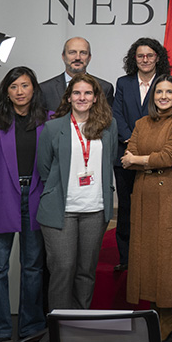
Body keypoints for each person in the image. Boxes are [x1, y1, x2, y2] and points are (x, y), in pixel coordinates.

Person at [0, 67, 49, 342]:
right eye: (14, 86)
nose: (19, 91)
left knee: (33, 267)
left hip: (36, 196)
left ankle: (32, 327)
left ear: (33, 89)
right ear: (6, 91)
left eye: (25, 85)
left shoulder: (48, 120)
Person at [121, 75, 172, 341]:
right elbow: (127, 158)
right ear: (152, 95)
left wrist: (142, 160)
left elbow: (168, 156)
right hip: (145, 196)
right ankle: (154, 313)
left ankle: (169, 317)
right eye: (159, 92)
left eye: (169, 92)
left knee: (170, 258)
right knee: (147, 255)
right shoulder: (141, 123)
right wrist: (155, 160)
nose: (164, 97)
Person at [36, 74, 118, 310]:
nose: (82, 97)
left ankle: (80, 322)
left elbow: (110, 160)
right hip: (61, 210)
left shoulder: (108, 126)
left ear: (95, 98)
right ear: (69, 97)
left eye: (88, 93)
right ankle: (59, 325)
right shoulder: (53, 127)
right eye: (77, 93)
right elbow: (44, 168)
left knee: (86, 271)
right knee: (63, 268)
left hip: (95, 209)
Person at [111, 37, 171, 273]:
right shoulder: (123, 83)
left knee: (154, 210)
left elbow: (168, 116)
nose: (145, 60)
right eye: (140, 56)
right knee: (126, 209)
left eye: (150, 55)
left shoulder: (166, 82)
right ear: (133, 59)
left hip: (156, 156)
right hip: (126, 155)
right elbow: (117, 115)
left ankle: (151, 257)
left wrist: (147, 146)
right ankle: (126, 258)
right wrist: (132, 141)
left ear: (157, 58)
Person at [38, 36, 114, 113]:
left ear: (89, 57)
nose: (77, 57)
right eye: (72, 52)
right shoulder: (45, 89)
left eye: (83, 53)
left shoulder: (104, 88)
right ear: (63, 56)